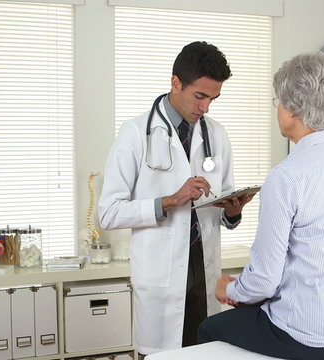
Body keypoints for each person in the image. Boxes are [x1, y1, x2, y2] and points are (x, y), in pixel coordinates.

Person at [198, 52, 324, 360]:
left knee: (209, 329)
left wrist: (229, 290)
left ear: (294, 108)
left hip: (310, 336)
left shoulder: (286, 177)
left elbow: (264, 281)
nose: (277, 109)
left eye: (279, 102)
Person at [98, 41, 254, 355]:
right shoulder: (135, 133)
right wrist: (169, 200)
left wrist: (233, 211)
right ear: (176, 83)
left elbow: (222, 210)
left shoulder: (217, 134)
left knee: (206, 352)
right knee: (161, 354)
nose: (206, 107)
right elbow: (109, 213)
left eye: (213, 98)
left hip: (203, 274)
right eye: (200, 96)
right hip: (161, 276)